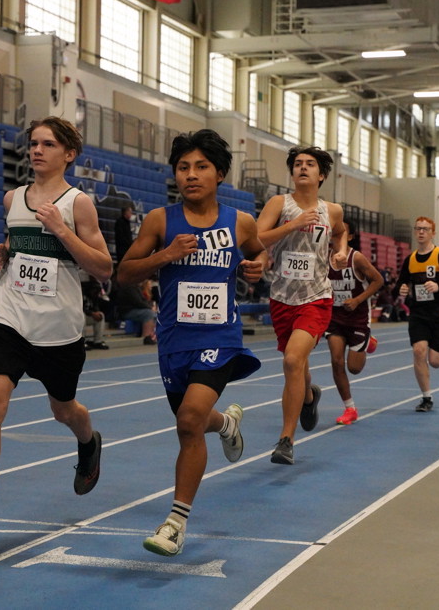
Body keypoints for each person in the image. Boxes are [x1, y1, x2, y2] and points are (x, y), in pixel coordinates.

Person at [0, 116, 112, 546]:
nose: (37, 150)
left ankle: (88, 441)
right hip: (10, 316)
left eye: (48, 144)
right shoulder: (13, 199)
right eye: (34, 143)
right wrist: (2, 253)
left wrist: (61, 230)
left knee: (64, 410)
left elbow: (103, 267)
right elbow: (17, 248)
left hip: (58, 327)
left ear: (69, 154)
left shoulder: (78, 203)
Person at [117, 129, 268, 556]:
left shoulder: (240, 222)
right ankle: (227, 424)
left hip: (220, 335)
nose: (191, 175)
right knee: (195, 423)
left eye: (201, 166)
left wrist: (256, 267)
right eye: (183, 167)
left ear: (219, 173)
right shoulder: (160, 221)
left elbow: (258, 253)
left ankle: (175, 524)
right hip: (174, 340)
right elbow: (123, 274)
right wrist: (165, 255)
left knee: (188, 421)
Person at [256, 146, 348, 464]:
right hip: (282, 297)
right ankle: (309, 396)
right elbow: (256, 239)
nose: (303, 168)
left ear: (321, 175)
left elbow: (341, 232)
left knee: (293, 360)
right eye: (298, 164)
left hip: (316, 297)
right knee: (298, 365)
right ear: (292, 172)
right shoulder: (279, 204)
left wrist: (341, 251)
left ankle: (286, 440)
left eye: (310, 164)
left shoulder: (331, 210)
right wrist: (293, 225)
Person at [394, 217, 439, 412]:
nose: (421, 232)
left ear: (433, 233)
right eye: (418, 228)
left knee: (436, 362)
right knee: (419, 351)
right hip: (419, 314)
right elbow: (400, 283)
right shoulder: (410, 259)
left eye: (425, 229)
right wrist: (401, 289)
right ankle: (426, 397)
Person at [326, 220, 384, 425]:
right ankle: (350, 408)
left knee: (354, 368)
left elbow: (378, 280)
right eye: (333, 232)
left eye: (341, 233)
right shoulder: (324, 257)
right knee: (336, 361)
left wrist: (358, 300)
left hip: (357, 318)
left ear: (349, 237)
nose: (336, 236)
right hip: (335, 318)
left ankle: (368, 341)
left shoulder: (356, 258)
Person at [115, 279, 158, 344]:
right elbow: (138, 302)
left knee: (154, 314)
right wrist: (150, 308)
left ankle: (152, 336)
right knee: (149, 314)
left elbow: (143, 301)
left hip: (135, 310)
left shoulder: (136, 287)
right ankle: (146, 336)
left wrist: (151, 307)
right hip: (127, 311)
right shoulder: (130, 287)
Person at [82, 276, 109, 350]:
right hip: (77, 318)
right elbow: (80, 308)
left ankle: (98, 341)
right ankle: (82, 342)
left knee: (101, 315)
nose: (95, 293)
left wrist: (96, 312)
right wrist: (92, 313)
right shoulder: (81, 294)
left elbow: (95, 306)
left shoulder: (94, 296)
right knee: (82, 315)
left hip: (88, 316)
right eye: (94, 290)